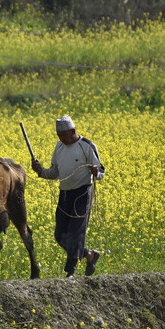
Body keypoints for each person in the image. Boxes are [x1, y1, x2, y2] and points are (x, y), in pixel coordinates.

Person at [32, 115, 104, 277]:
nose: (61, 138)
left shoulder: (87, 146)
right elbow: (54, 173)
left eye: (63, 135)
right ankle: (89, 255)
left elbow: (101, 172)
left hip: (82, 194)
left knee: (75, 233)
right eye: (58, 136)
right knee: (60, 234)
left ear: (73, 131)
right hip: (64, 195)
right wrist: (40, 171)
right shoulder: (59, 147)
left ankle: (70, 273)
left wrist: (95, 171)